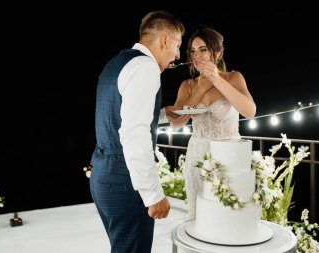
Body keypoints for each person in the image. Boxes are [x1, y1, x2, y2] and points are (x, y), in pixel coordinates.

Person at [89, 11, 185, 253]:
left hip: (103, 175)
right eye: (177, 45)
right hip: (124, 180)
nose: (177, 55)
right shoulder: (145, 67)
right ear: (164, 40)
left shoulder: (118, 62)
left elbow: (118, 116)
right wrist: (153, 194)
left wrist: (163, 114)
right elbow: (134, 135)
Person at [169, 27, 256, 220]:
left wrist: (216, 79)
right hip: (197, 155)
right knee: (199, 214)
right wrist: (199, 89)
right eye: (192, 50)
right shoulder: (188, 85)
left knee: (227, 215)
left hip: (229, 156)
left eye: (203, 49)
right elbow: (177, 123)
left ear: (218, 53)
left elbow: (249, 111)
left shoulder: (234, 78)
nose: (196, 56)